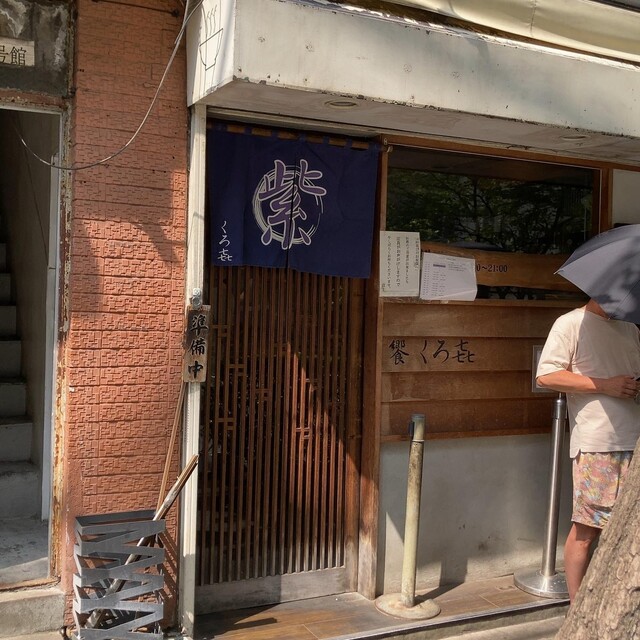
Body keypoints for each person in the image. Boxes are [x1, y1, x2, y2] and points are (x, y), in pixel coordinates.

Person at [536, 298, 640, 602]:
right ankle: (577, 611)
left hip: (634, 439)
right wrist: (604, 385)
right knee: (587, 530)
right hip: (598, 444)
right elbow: (546, 375)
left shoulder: (630, 328)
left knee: (628, 530)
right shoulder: (570, 323)